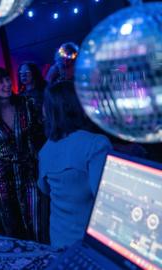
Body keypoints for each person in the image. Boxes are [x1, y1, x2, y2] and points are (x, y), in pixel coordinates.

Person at [0, 67, 46, 241]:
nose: (6, 84)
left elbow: (40, 134)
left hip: (30, 170)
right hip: (2, 176)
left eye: (7, 79)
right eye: (0, 82)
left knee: (36, 222)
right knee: (12, 226)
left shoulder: (26, 103)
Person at [38, 81, 112, 248]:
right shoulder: (96, 144)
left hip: (59, 239)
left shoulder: (46, 149)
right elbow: (105, 201)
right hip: (90, 244)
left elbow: (44, 189)